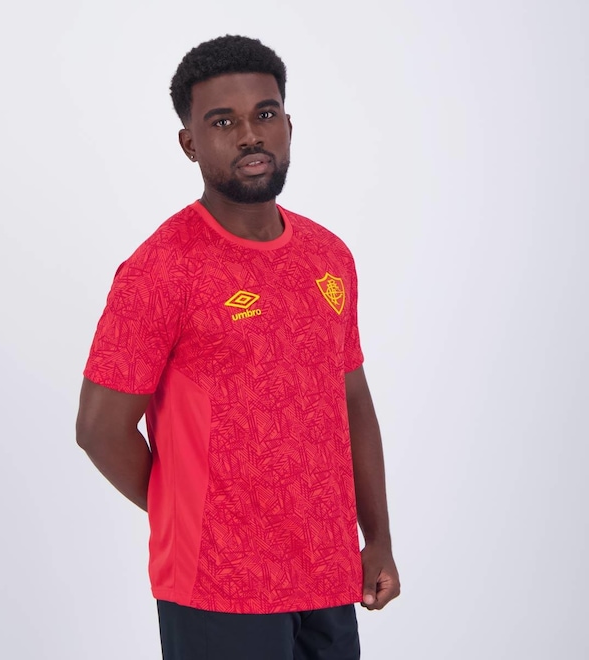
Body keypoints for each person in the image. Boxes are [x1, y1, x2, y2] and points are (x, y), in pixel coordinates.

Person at [76, 34, 400, 660]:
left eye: (265, 114)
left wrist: (378, 537)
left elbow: (352, 401)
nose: (250, 135)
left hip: (328, 573)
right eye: (223, 122)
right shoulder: (159, 270)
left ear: (288, 126)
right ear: (190, 143)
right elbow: (98, 429)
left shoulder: (329, 256)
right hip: (217, 585)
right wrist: (194, 515)